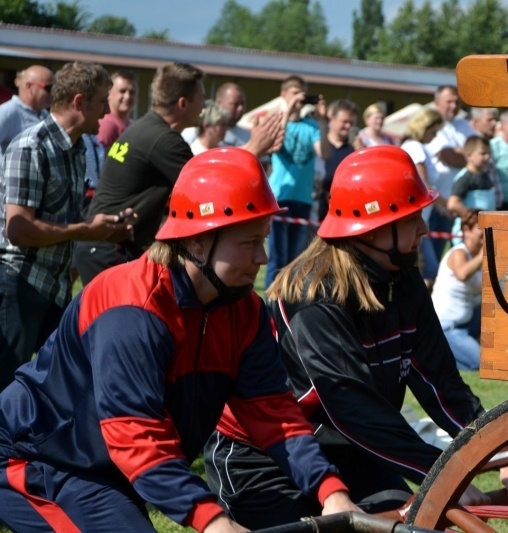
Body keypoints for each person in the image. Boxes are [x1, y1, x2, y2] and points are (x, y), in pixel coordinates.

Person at [0, 148, 361, 532]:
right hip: (38, 460)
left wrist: (330, 489)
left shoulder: (246, 310)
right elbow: (135, 433)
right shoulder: (131, 307)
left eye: (264, 240)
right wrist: (213, 519)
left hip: (103, 467)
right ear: (199, 242)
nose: (262, 256)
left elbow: (274, 414)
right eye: (249, 242)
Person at [205, 146, 487, 529]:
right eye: (412, 217)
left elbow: (441, 384)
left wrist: (495, 444)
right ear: (373, 227)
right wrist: (439, 471)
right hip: (264, 456)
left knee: (414, 522)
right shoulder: (312, 294)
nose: (424, 229)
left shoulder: (403, 282)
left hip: (349, 449)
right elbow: (352, 406)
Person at [74, 62, 284, 286]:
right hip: (110, 249)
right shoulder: (162, 139)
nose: (204, 107)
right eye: (201, 99)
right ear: (183, 103)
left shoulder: (147, 129)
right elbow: (212, 183)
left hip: (104, 247)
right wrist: (254, 147)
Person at [0, 61, 132, 389]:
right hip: (20, 286)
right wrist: (85, 231)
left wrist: (103, 227)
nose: (106, 110)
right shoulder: (30, 147)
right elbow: (18, 230)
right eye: (102, 100)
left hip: (54, 288)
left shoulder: (75, 148)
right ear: (79, 102)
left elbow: (61, 222)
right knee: (5, 385)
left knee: (63, 383)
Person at [266, 74, 331, 287]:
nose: (299, 98)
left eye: (302, 93)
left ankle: (287, 301)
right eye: (295, 93)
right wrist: (289, 109)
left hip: (303, 198)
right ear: (283, 95)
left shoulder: (311, 126)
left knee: (295, 258)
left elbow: (324, 153)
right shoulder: (275, 119)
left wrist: (322, 122)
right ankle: (271, 303)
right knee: (277, 257)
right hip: (279, 197)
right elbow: (275, 143)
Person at [426, 85, 476, 259]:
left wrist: (461, 153)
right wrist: (466, 155)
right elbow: (448, 156)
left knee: (455, 251)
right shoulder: (432, 125)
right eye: (449, 102)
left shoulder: (463, 124)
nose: (454, 106)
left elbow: (477, 151)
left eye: (457, 102)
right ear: (437, 102)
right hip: (436, 202)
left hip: (459, 200)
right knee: (431, 253)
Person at [430, 216, 484, 370]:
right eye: (482, 229)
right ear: (466, 230)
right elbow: (462, 274)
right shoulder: (458, 252)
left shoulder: (478, 259)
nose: (486, 234)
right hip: (447, 327)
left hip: (467, 324)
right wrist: (483, 256)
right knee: (479, 363)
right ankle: (440, 356)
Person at [400, 107, 445, 287]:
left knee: (425, 269)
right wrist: (446, 205)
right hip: (416, 220)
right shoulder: (415, 147)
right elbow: (425, 186)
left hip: (419, 220)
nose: (434, 136)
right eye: (433, 132)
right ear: (425, 128)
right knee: (428, 270)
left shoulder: (416, 147)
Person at [447, 135, 497, 240]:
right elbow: (453, 204)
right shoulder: (465, 178)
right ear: (469, 155)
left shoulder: (485, 176)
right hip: (468, 234)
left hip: (483, 231)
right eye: (483, 153)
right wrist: (473, 219)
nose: (487, 157)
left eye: (489, 153)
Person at [317, 99, 359, 221]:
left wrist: (361, 152)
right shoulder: (319, 144)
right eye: (344, 122)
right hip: (318, 206)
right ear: (332, 119)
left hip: (343, 208)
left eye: (351, 123)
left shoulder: (355, 148)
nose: (348, 126)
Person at [0, 64, 53, 157]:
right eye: (49, 88)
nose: (53, 93)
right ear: (29, 86)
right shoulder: (7, 112)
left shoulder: (44, 114)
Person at [182, 82, 250, 148]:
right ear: (218, 103)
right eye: (235, 104)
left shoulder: (248, 135)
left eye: (242, 104)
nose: (240, 108)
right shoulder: (191, 134)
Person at [97, 70, 137, 149]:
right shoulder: (107, 125)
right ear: (109, 94)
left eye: (132, 92)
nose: (127, 96)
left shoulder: (133, 126)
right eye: (122, 91)